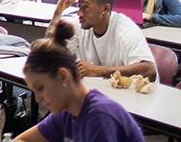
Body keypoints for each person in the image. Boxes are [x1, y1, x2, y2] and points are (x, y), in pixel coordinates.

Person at [15, 21, 144, 142]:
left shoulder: (100, 117)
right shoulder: (66, 112)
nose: (37, 99)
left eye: (40, 88)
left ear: (62, 76)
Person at [47, 0, 157, 80]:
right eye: (79, 6)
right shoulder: (79, 24)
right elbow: (49, 53)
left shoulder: (126, 30)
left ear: (105, 8)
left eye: (85, 7)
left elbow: (149, 70)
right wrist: (58, 12)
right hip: (99, 93)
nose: (79, 13)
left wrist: (97, 70)